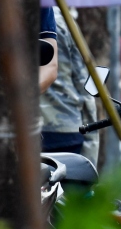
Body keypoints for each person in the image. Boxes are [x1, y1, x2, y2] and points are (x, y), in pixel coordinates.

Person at [40, 10, 97, 156]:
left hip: (19, 128)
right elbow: (85, 87)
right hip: (65, 127)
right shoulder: (64, 21)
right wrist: (92, 143)